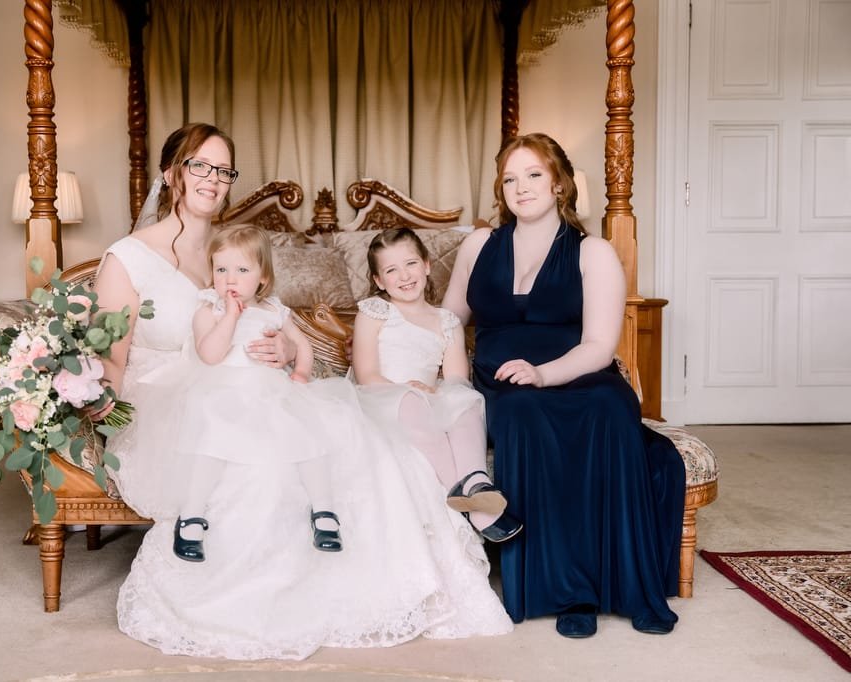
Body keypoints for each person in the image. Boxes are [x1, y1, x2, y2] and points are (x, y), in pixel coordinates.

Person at [91, 122, 512, 660]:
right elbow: (113, 356)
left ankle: (361, 571)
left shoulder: (238, 251)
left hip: (254, 388)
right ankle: (252, 605)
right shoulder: (128, 256)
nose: (212, 180)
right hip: (173, 397)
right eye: (200, 165)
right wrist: (95, 398)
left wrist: (289, 354)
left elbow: (277, 329)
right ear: (172, 173)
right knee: (259, 459)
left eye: (223, 170)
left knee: (348, 434)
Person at [442, 132, 686, 638]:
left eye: (533, 174)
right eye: (510, 177)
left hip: (579, 372)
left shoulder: (592, 251)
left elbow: (600, 345)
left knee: (609, 410)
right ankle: (568, 593)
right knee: (524, 414)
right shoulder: (478, 245)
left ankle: (625, 587)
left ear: (559, 184)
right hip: (503, 379)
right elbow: (446, 323)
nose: (521, 186)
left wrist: (545, 373)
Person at [164, 224, 342, 561]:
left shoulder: (274, 310)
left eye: (242, 270)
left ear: (262, 277)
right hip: (222, 390)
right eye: (221, 269)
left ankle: (324, 511)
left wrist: (301, 374)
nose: (229, 279)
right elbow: (210, 355)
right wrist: (230, 317)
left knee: (309, 436)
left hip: (270, 390)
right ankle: (191, 515)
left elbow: (304, 346)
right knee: (211, 438)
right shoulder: (209, 310)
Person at [350, 227, 522, 542]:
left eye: (411, 264)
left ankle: (474, 482)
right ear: (378, 281)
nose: (404, 275)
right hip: (379, 397)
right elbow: (367, 374)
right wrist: (406, 390)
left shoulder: (447, 322)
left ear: (427, 265)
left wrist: (439, 393)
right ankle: (473, 508)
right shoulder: (375, 313)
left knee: (467, 400)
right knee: (411, 402)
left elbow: (456, 378)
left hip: (426, 398)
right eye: (391, 270)